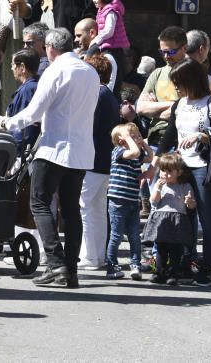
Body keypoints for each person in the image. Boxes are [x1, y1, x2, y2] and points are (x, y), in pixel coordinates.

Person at [0, 27, 100, 288]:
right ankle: (70, 269)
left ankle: (56, 263)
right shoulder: (90, 72)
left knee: (39, 203)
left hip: (54, 147)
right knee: (71, 209)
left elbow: (34, 112)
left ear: (51, 48)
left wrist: (7, 122)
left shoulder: (56, 70)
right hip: (81, 150)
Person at [157, 58, 211, 286]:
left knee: (206, 219)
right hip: (180, 166)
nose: (177, 87)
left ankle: (206, 267)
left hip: (203, 168)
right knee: (182, 218)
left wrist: (203, 136)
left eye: (180, 82)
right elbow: (170, 133)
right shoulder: (180, 104)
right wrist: (157, 159)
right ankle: (185, 262)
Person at [78, 53, 118, 271]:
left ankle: (90, 255)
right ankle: (97, 255)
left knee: (86, 207)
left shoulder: (97, 94)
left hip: (93, 160)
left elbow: (89, 126)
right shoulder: (109, 95)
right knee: (97, 208)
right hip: (104, 160)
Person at [105, 123, 152, 281]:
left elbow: (151, 157)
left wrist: (143, 142)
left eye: (138, 135)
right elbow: (135, 152)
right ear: (121, 140)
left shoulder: (135, 154)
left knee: (134, 235)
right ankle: (112, 266)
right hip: (117, 200)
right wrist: (128, 138)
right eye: (134, 136)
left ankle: (135, 264)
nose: (137, 138)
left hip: (132, 200)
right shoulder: (118, 152)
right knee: (116, 235)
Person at [144, 152, 197, 285]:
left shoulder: (185, 186)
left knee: (176, 250)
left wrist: (189, 201)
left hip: (178, 221)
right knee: (161, 249)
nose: (164, 174)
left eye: (169, 172)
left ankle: (173, 274)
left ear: (178, 172)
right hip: (162, 220)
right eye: (162, 171)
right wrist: (157, 189)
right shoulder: (159, 184)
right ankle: (159, 273)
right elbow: (154, 202)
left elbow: (192, 206)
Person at [137, 26, 187, 148]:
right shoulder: (157, 73)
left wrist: (154, 111)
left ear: (184, 48)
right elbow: (140, 108)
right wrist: (172, 105)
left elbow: (186, 110)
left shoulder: (192, 72)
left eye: (171, 52)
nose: (166, 56)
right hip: (155, 138)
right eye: (162, 52)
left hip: (180, 141)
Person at [89, 0, 130, 77]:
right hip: (108, 47)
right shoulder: (102, 10)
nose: (93, 0)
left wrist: (96, 40)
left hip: (113, 49)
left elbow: (109, 30)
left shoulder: (110, 11)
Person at [6, 49, 41, 155]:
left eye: (13, 65)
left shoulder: (27, 90)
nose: (11, 68)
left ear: (22, 67)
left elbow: (22, 129)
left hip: (23, 152)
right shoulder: (37, 86)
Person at [74, 18, 117, 91]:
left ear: (92, 33)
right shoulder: (78, 54)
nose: (75, 40)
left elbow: (106, 89)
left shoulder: (106, 57)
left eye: (79, 35)